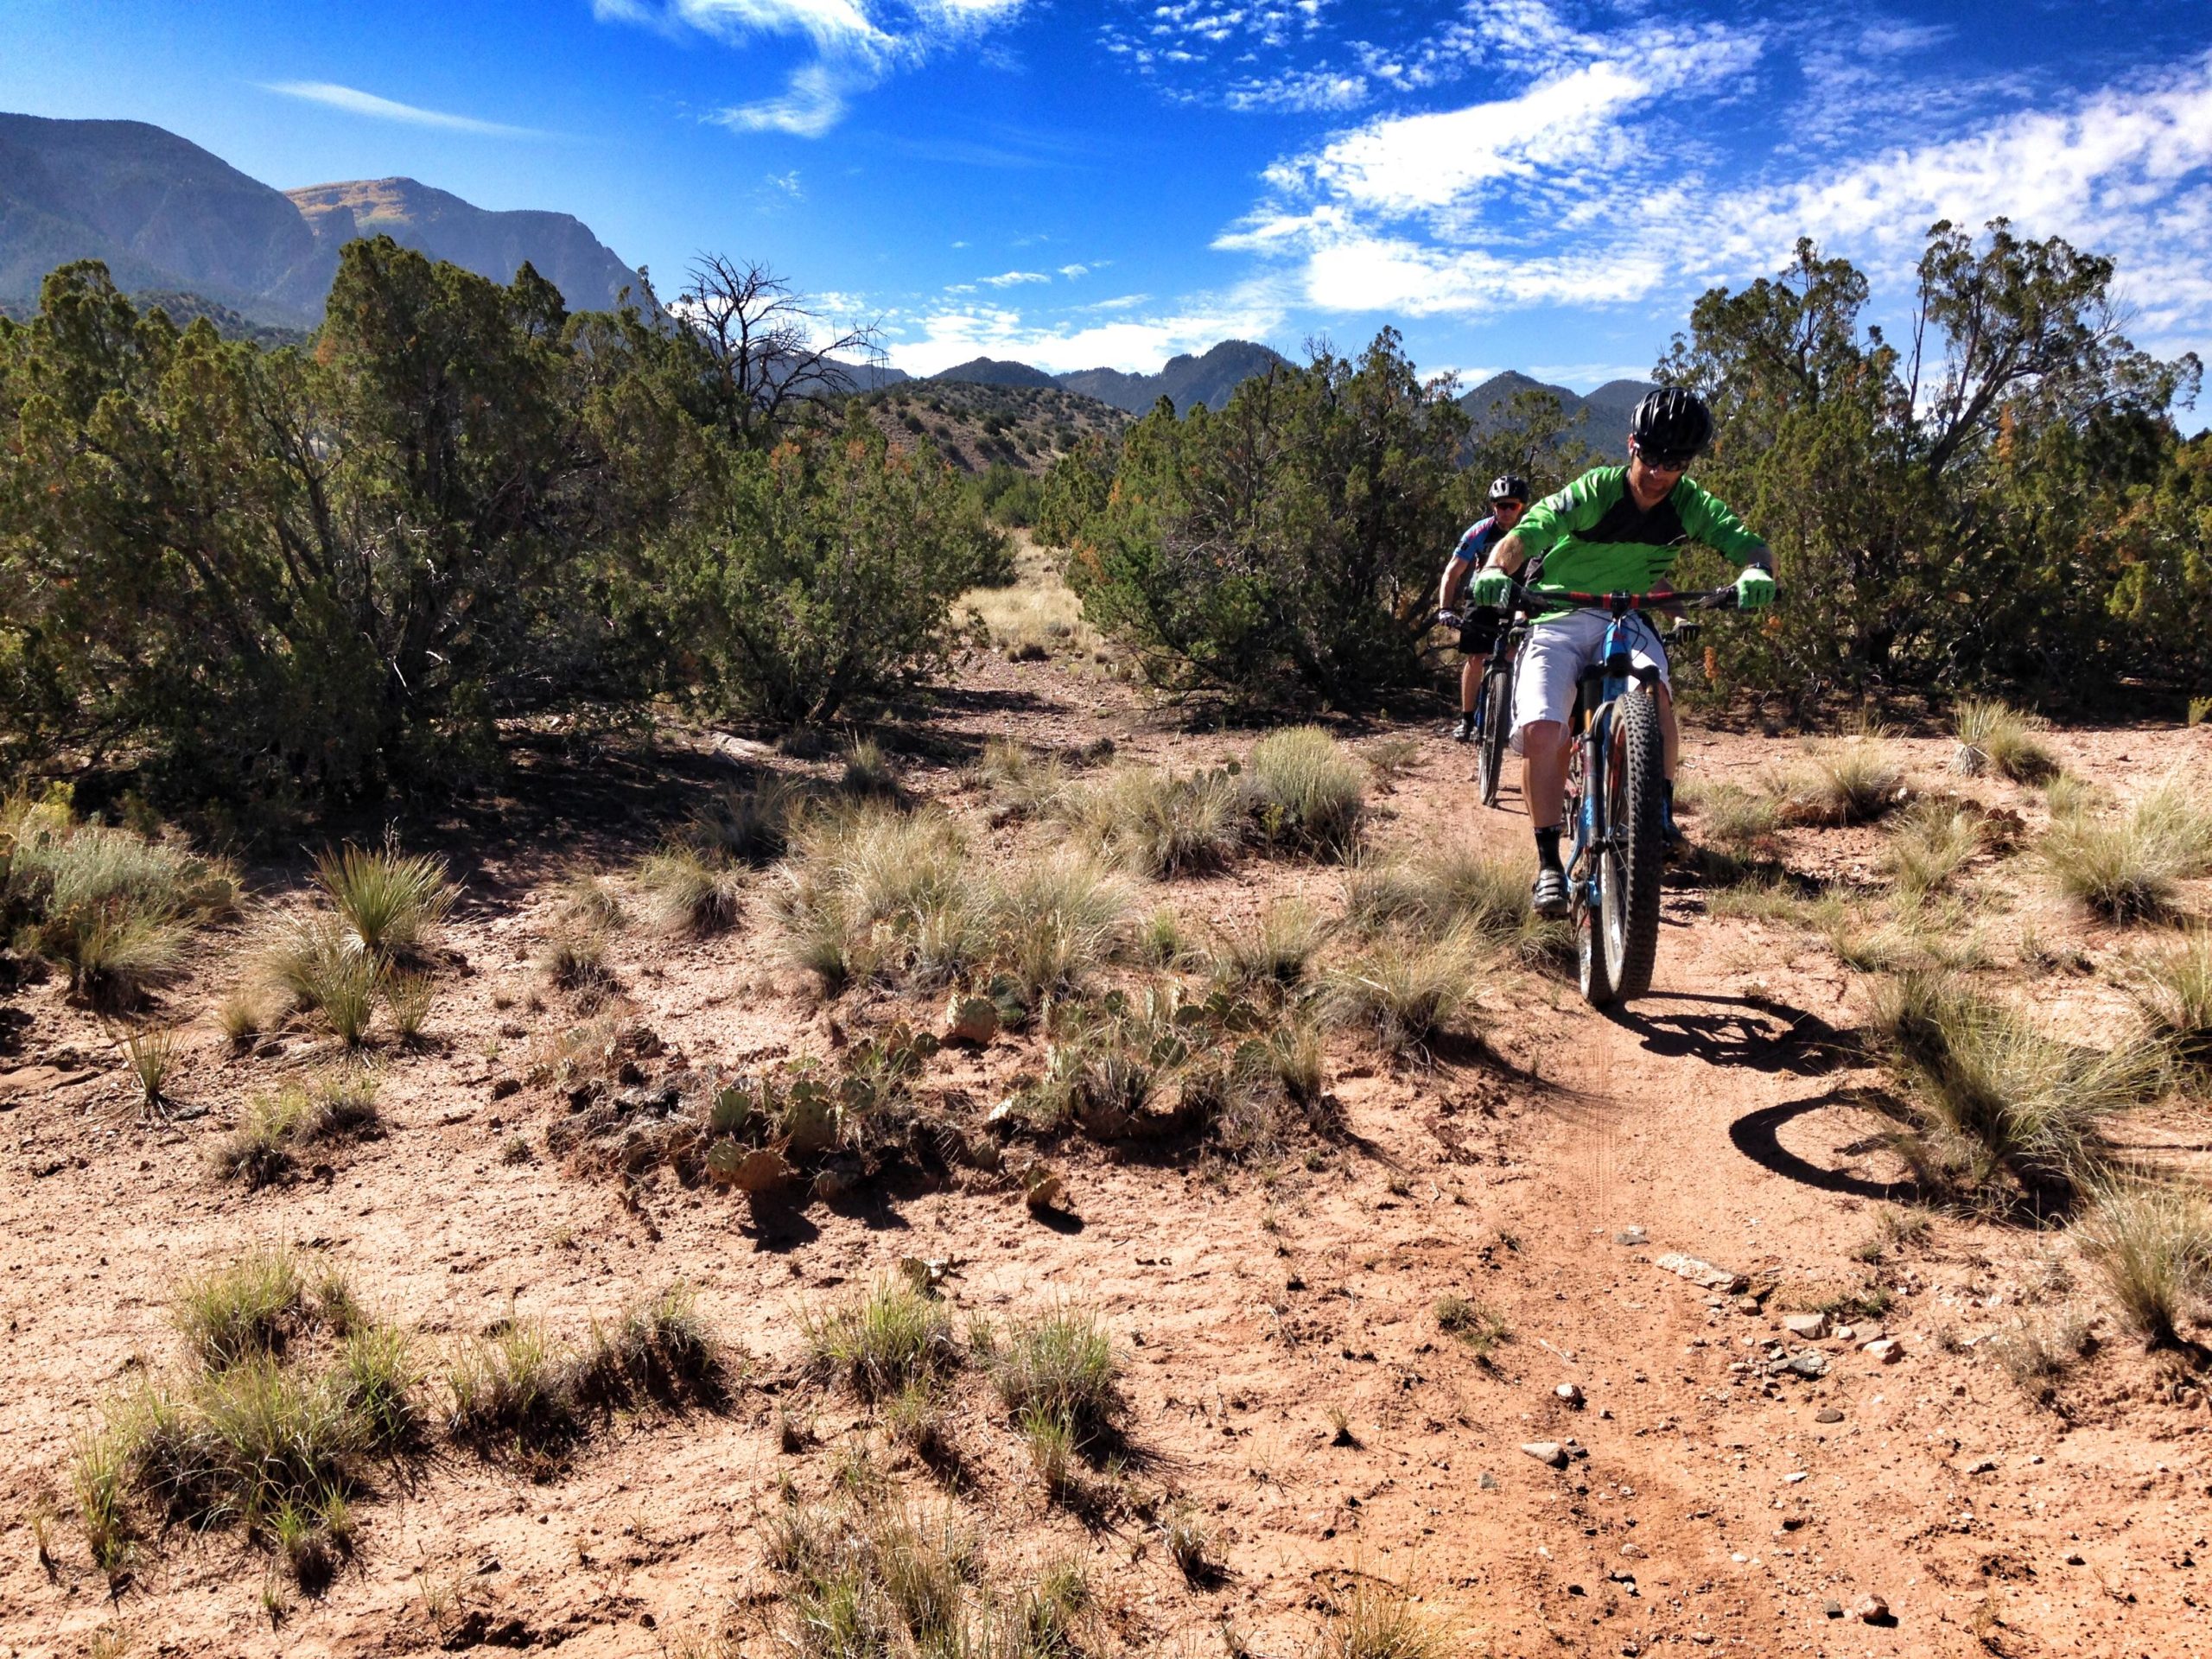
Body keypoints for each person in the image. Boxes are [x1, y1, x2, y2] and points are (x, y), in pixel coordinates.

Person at [1463, 388, 1775, 917]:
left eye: (1673, 462)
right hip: (1558, 614)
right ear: (1632, 445)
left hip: (1626, 615)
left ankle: (1657, 810)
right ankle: (1548, 864)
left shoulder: (1690, 505)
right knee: (1544, 730)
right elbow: (1532, 530)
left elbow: (1747, 543)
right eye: (1649, 456)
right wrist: (1496, 568)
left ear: (1687, 463)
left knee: (1655, 695)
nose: (1658, 471)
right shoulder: (1596, 491)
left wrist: (1757, 570)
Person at [1436, 475, 1531, 742]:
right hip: (1482, 596)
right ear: (1493, 506)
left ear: (1522, 507)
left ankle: (1508, 716)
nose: (1506, 511)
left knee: (1515, 655)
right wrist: (1445, 608)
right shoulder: (1479, 532)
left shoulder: (1533, 531)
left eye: (1512, 506)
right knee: (1476, 657)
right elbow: (1453, 571)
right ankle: (1466, 719)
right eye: (1500, 506)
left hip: (1519, 596)